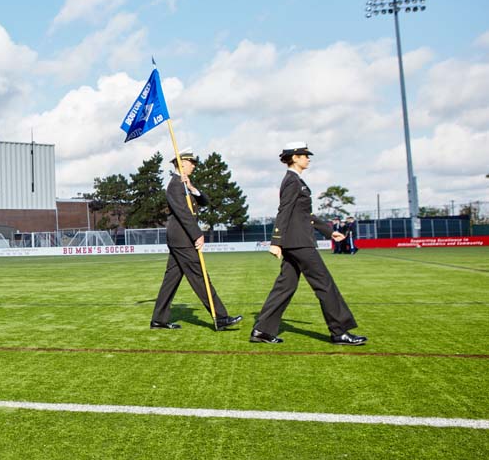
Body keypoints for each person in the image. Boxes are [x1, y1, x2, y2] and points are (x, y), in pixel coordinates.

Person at [251, 142, 366, 346]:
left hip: (295, 243)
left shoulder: (296, 181)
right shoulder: (292, 181)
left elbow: (305, 214)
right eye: (304, 155)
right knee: (325, 284)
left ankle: (262, 330)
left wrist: (330, 232)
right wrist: (275, 241)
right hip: (299, 243)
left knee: (285, 286)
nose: (308, 158)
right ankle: (339, 331)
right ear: (294, 158)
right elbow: (284, 210)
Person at [150, 150, 243, 331]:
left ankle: (159, 320)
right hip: (182, 238)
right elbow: (183, 214)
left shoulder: (183, 184)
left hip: (181, 238)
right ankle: (221, 317)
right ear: (181, 162)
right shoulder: (175, 186)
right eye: (191, 162)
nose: (194, 165)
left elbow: (205, 202)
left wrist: (192, 188)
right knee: (200, 277)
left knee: (171, 280)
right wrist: (197, 234)